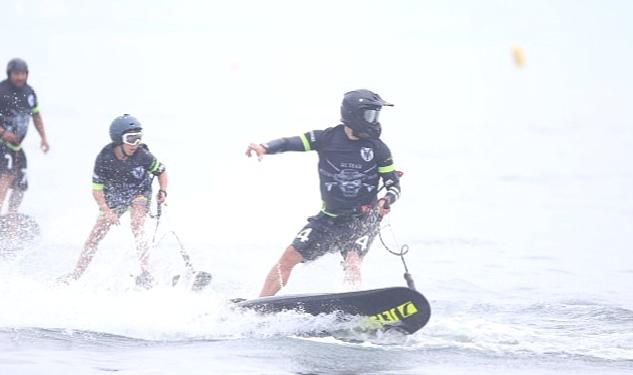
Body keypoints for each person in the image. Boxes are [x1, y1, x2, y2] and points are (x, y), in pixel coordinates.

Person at [245, 89, 402, 297]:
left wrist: (386, 200)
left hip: (363, 219)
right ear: (353, 115)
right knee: (289, 257)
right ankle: (260, 306)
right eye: (370, 115)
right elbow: (289, 143)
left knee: (353, 260)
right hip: (328, 219)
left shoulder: (378, 149)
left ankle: (351, 303)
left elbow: (394, 184)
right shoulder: (326, 138)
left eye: (376, 115)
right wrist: (265, 147)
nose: (374, 121)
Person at [59, 114, 168, 287]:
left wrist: (163, 190)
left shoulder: (143, 155)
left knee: (137, 225)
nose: (135, 144)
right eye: (131, 139)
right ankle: (75, 275)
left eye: (138, 138)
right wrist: (107, 211)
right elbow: (96, 190)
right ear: (119, 139)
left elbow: (161, 171)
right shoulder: (104, 158)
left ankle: (146, 273)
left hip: (139, 192)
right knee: (93, 238)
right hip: (114, 198)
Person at [0, 58, 50, 214]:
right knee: (6, 175)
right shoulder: (2, 91)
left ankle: (11, 217)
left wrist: (43, 138)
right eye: (16, 74)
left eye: (22, 74)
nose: (19, 77)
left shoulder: (29, 92)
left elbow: (36, 116)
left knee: (21, 184)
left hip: (17, 147)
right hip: (2, 144)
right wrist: (3, 132)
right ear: (10, 74)